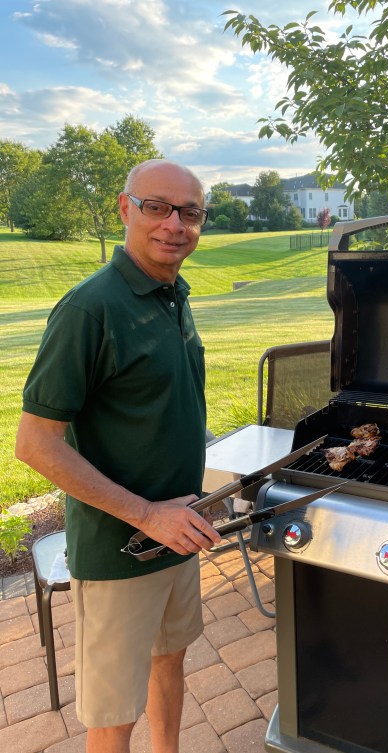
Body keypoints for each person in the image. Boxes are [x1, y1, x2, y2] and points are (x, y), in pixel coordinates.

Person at [15, 159, 222, 753]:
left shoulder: (172, 293)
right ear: (125, 207)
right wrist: (147, 514)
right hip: (120, 547)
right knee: (112, 714)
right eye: (157, 206)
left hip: (181, 528)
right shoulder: (90, 310)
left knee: (169, 663)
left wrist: (173, 513)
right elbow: (35, 444)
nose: (174, 224)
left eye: (190, 212)